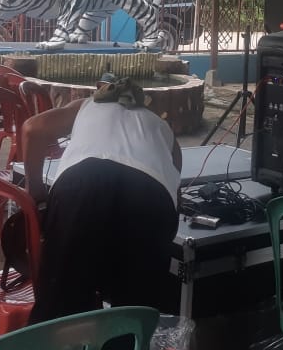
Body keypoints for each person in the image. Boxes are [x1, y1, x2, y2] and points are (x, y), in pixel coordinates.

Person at [22, 76, 182, 324]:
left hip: (82, 188)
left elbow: (32, 128)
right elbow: (174, 180)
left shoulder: (86, 106)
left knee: (59, 306)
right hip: (150, 198)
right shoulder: (159, 126)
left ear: (100, 91)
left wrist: (35, 188)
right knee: (133, 312)